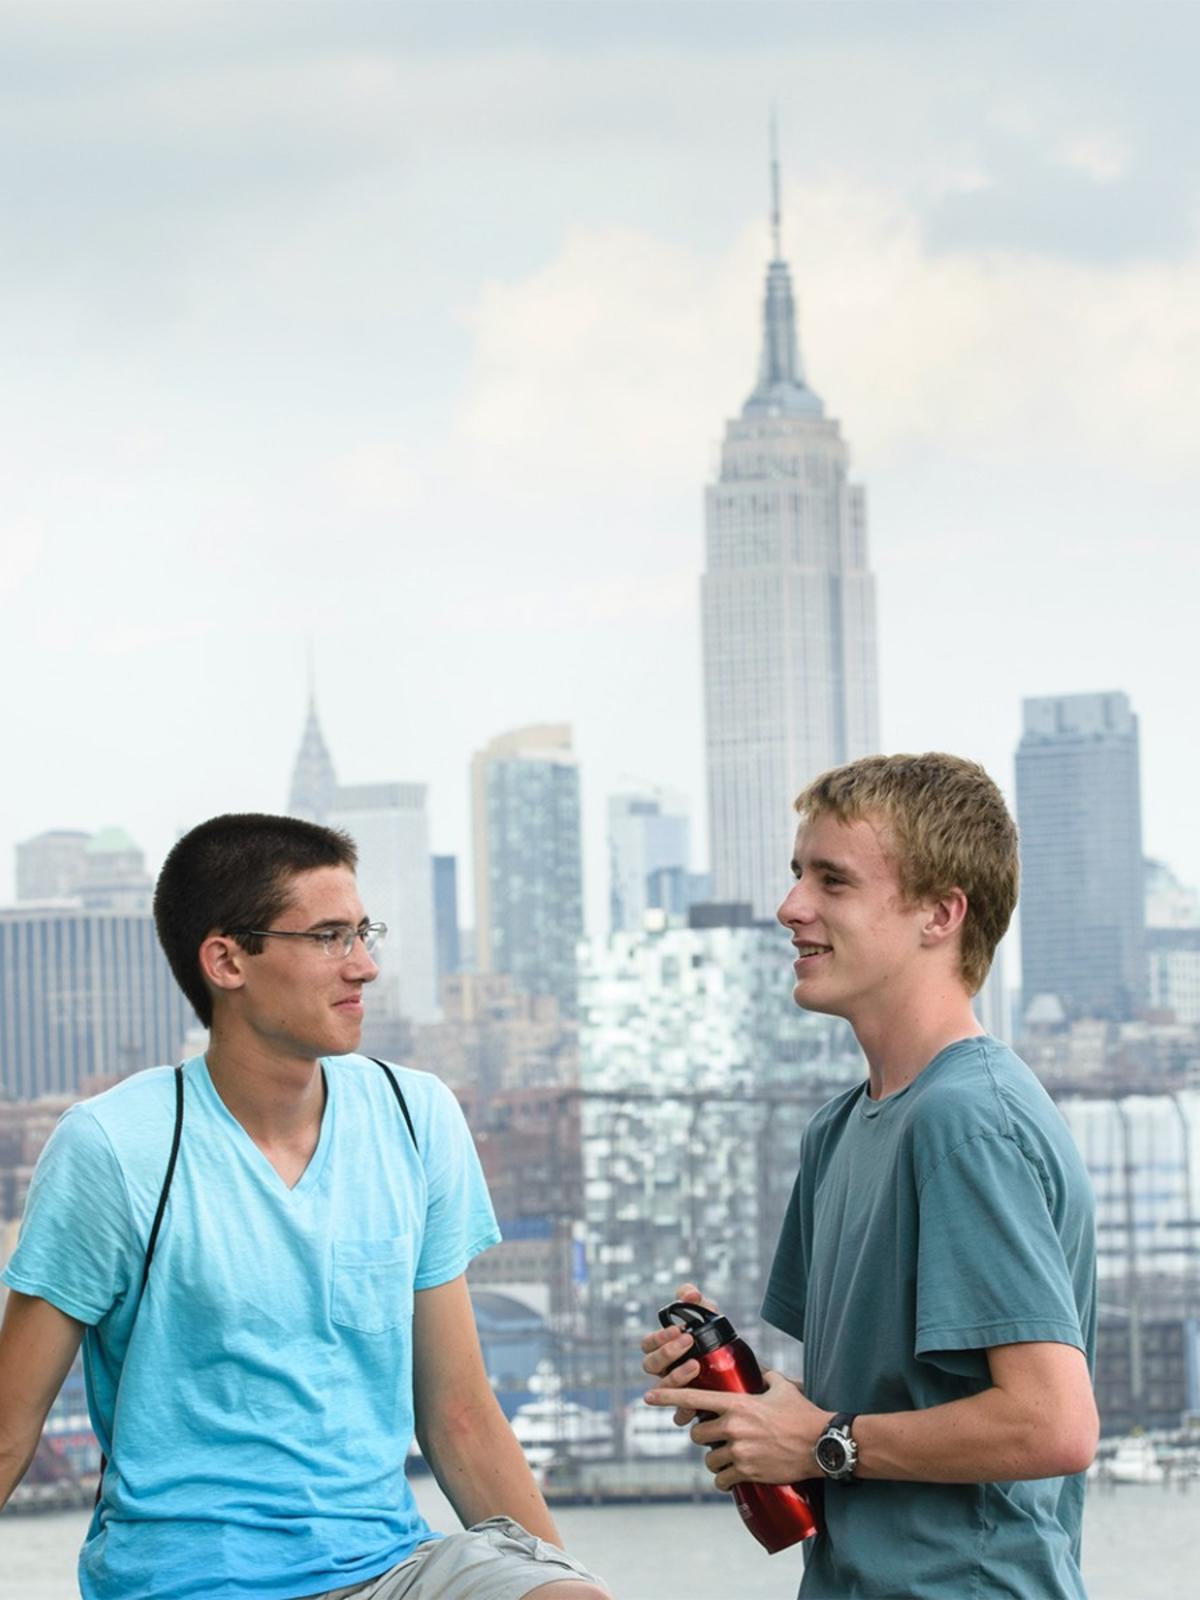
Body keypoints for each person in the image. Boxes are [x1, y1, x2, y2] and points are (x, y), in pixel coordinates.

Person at [0, 813, 607, 1600]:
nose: (365, 966)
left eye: (364, 932)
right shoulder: (113, 1147)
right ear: (227, 959)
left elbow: (458, 1413)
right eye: (328, 938)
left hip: (391, 1568)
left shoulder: (416, 1114)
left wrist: (557, 1576)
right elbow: (11, 1428)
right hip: (190, 1583)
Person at [642, 754, 1098, 1599]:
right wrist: (754, 1408)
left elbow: (1052, 1425)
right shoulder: (839, 1130)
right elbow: (867, 1408)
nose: (790, 908)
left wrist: (820, 1440)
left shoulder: (968, 1122)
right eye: (796, 875)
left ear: (940, 914)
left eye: (833, 881)